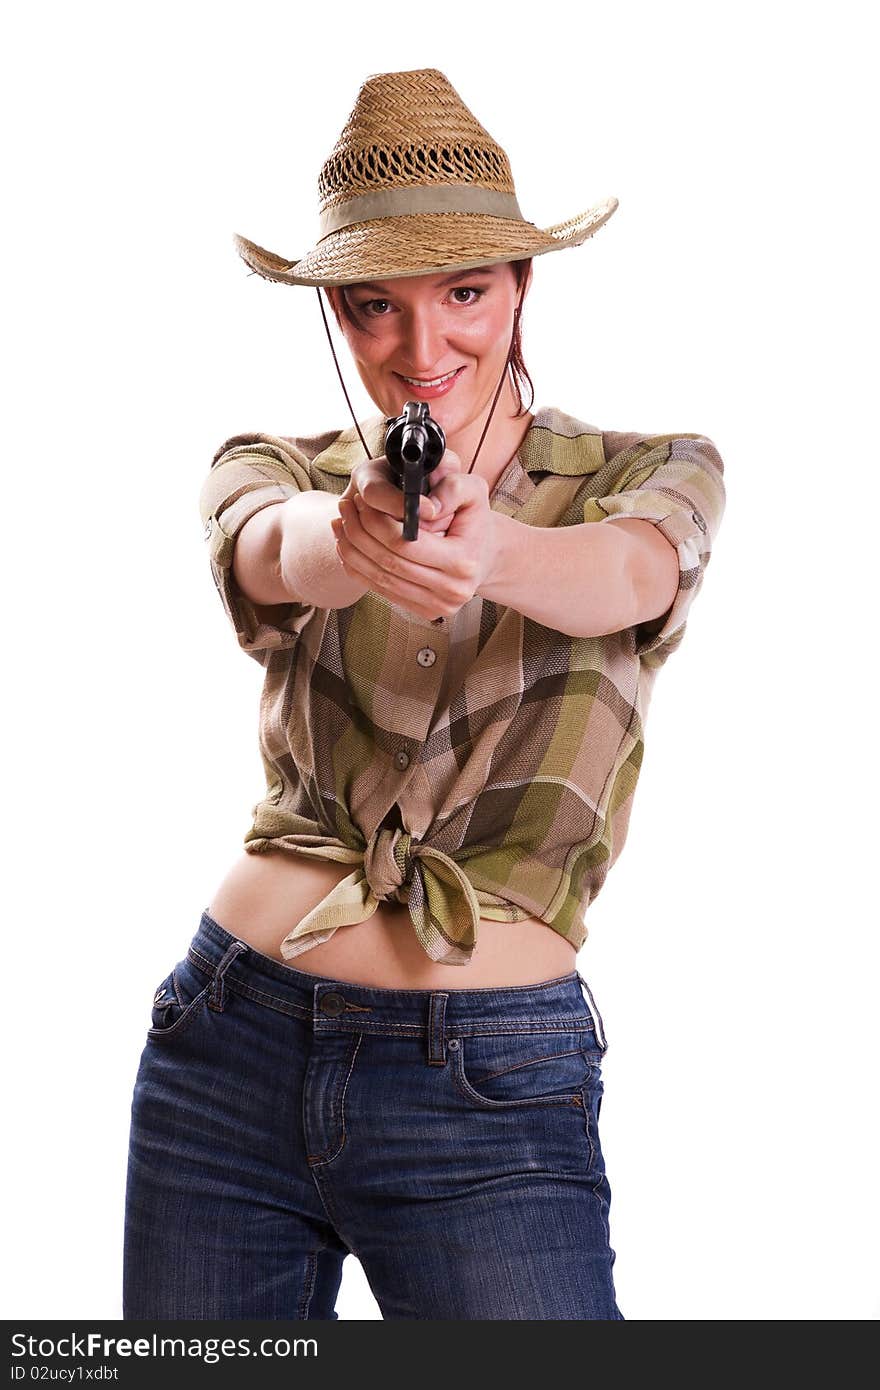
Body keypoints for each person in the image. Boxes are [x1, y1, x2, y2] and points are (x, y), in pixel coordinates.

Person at [123, 68, 725, 1321]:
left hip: (488, 1084)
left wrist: (488, 547)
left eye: (463, 293)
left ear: (521, 285)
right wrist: (355, 545)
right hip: (226, 1044)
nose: (421, 347)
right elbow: (266, 547)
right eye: (372, 308)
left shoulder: (650, 471)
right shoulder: (281, 469)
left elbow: (626, 572)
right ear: (334, 313)